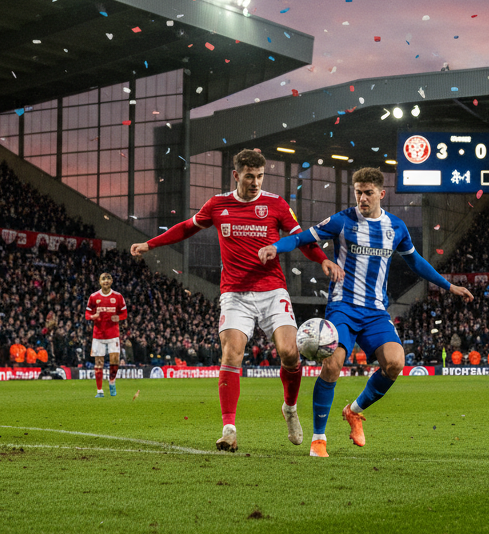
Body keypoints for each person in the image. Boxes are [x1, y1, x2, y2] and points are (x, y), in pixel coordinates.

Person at [132, 149, 342, 453]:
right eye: (249, 176)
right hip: (235, 294)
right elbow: (187, 227)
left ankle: (290, 408)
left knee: (289, 353)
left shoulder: (276, 204)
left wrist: (322, 259)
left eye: (260, 176)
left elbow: (302, 239)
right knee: (231, 354)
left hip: (272, 291)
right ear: (236, 175)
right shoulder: (218, 205)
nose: (255, 182)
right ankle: (229, 430)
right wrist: (150, 244)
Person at [260, 167, 473, 457]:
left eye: (368, 193)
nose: (362, 198)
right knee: (332, 365)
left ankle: (354, 410)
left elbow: (416, 262)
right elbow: (301, 238)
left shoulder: (396, 227)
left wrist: (449, 286)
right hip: (343, 308)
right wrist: (276, 246)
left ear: (381, 194)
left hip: (375, 312)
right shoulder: (342, 221)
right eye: (358, 192)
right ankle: (319, 438)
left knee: (395, 363)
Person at [85, 272, 127, 398]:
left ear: (112, 281)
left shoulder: (118, 296)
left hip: (113, 335)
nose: (106, 281)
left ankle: (112, 381)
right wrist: (93, 316)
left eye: (108, 279)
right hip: (98, 336)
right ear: (99, 282)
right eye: (103, 279)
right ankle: (99, 391)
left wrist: (118, 317)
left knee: (114, 361)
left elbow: (124, 314)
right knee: (99, 363)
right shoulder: (93, 297)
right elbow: (87, 314)